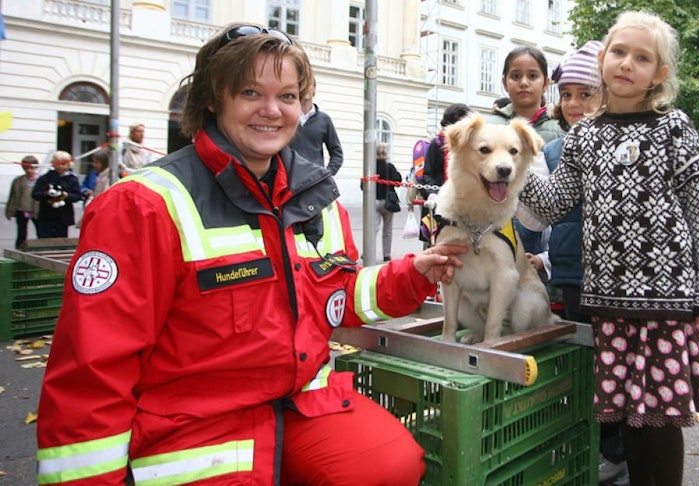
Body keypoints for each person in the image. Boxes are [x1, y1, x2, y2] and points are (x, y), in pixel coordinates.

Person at [36, 23, 465, 486]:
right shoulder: (141, 204)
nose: (271, 110)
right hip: (191, 427)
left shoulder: (317, 196)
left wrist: (413, 272)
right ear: (212, 99)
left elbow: (334, 293)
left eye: (287, 96)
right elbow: (92, 372)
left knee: (391, 464)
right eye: (249, 92)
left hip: (299, 402)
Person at [518, 11, 699, 486]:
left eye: (642, 57)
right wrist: (512, 160)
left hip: (668, 303)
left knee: (661, 418)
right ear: (603, 61)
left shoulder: (675, 128)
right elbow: (552, 205)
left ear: (660, 74)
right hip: (609, 304)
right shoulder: (585, 136)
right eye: (618, 52)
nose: (627, 63)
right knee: (632, 415)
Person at [538, 39, 631, 485]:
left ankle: (616, 451)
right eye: (567, 94)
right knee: (584, 365)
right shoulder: (554, 151)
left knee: (614, 367)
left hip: (613, 279)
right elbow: (542, 214)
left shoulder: (621, 145)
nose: (574, 104)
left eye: (585, 93)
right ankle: (588, 443)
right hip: (571, 274)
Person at [486, 46, 564, 255]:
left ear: (546, 82)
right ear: (504, 82)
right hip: (496, 226)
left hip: (549, 234)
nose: (523, 82)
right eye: (515, 76)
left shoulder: (561, 127)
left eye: (533, 76)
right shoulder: (491, 126)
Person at [419, 103, 472, 244]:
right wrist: (432, 193)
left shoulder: (471, 146)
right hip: (440, 202)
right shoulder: (437, 143)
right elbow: (427, 174)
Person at [288, 81, 345, 175]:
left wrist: (326, 174)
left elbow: (337, 153)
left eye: (308, 84)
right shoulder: (288, 117)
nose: (305, 88)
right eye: (301, 84)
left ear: (314, 89)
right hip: (288, 179)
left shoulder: (324, 120)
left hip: (314, 181)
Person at [31, 150, 83, 238]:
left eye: (64, 163)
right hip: (46, 215)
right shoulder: (45, 178)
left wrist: (67, 195)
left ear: (69, 164)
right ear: (54, 163)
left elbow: (78, 196)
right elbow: (35, 194)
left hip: (63, 216)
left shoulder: (72, 179)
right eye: (58, 163)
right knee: (44, 238)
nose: (61, 166)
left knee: (61, 239)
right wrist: (46, 194)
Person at [366, 142, 403, 261]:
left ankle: (368, 252)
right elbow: (398, 181)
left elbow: (363, 186)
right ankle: (386, 255)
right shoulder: (389, 167)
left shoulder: (370, 167)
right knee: (387, 230)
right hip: (388, 203)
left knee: (372, 229)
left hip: (373, 201)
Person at [5, 155, 41, 249]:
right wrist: (9, 211)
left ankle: (40, 249)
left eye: (31, 168)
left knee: (40, 231)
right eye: (26, 168)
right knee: (21, 232)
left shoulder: (41, 180)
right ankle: (19, 249)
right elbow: (12, 197)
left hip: (36, 210)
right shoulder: (18, 180)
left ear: (36, 167)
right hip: (21, 210)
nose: (29, 170)